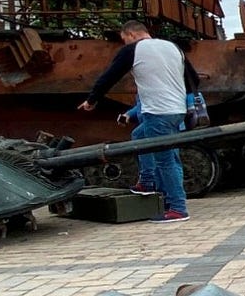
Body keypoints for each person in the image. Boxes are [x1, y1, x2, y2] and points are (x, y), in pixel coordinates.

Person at [79, 20, 197, 223]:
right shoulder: (172, 47)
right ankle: (148, 182)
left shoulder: (133, 49)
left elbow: (110, 76)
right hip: (176, 111)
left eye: (124, 39)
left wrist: (92, 100)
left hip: (157, 112)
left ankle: (177, 208)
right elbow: (193, 78)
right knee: (139, 136)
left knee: (166, 160)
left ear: (131, 35)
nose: (124, 43)